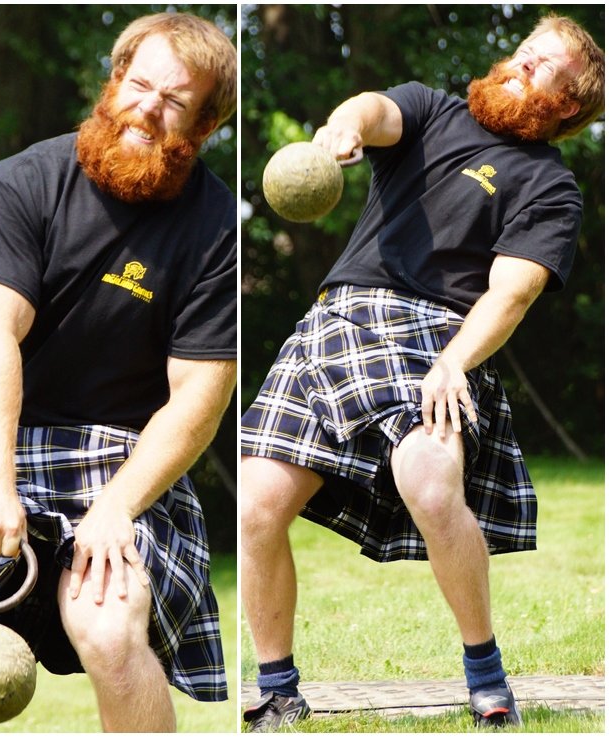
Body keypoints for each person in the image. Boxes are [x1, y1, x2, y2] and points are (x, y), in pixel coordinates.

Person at [239, 14, 603, 732]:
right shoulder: (436, 111)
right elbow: (375, 110)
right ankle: (277, 687)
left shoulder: (549, 187)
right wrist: (341, 130)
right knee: (255, 502)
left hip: (438, 335)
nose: (517, 68)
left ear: (566, 104)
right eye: (521, 55)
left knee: (433, 485)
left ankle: (485, 673)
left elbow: (513, 291)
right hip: (337, 319)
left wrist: (454, 362)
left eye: (539, 69)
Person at [0, 12, 237, 733]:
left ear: (202, 127)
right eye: (139, 85)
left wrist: (117, 505)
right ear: (113, 82)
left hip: (124, 457)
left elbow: (200, 395)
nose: (146, 109)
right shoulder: (20, 185)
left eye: (173, 103)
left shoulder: (217, 224)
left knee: (107, 630)